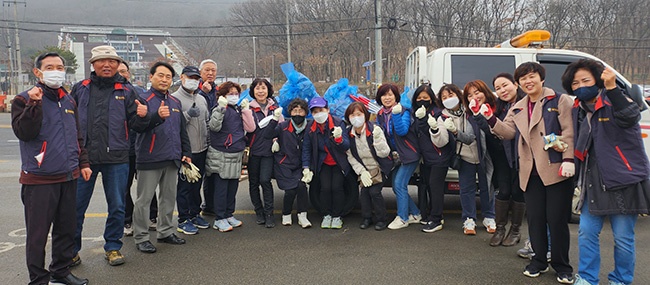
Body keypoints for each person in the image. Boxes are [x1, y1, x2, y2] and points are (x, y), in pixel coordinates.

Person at [481, 62, 575, 283]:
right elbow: (509, 132)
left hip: (555, 168)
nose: (528, 81)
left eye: (531, 76)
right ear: (519, 83)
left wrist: (569, 159)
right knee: (535, 219)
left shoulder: (559, 100)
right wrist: (490, 118)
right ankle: (539, 261)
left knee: (557, 219)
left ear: (541, 78)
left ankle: (562, 265)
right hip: (529, 171)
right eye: (523, 78)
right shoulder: (518, 107)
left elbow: (570, 131)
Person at [562, 59, 650, 285]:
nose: (580, 86)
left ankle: (621, 280)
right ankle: (587, 278)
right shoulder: (577, 109)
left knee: (623, 238)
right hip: (593, 181)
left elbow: (631, 115)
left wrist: (612, 87)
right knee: (586, 233)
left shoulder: (614, 100)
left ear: (598, 80)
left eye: (585, 80)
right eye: (575, 83)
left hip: (622, 180)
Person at [13, 52, 91, 285]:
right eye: (50, 67)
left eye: (59, 66)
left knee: (66, 228)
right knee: (37, 235)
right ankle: (38, 279)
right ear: (38, 72)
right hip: (39, 179)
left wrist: (83, 162)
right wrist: (33, 103)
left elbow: (77, 136)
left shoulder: (68, 100)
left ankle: (61, 271)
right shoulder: (23, 99)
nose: (56, 70)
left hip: (68, 175)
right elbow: (24, 133)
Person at [71, 45, 150, 266]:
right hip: (84, 158)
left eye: (112, 61)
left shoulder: (126, 90)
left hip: (117, 158)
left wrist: (143, 116)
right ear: (93, 64)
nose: (107, 65)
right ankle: (71, 250)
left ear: (117, 64)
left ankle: (113, 247)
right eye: (101, 61)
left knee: (117, 205)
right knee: (76, 206)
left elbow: (136, 124)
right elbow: (68, 122)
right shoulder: (80, 88)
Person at [132, 61, 191, 253]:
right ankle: (141, 237)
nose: (164, 80)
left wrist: (186, 153)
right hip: (149, 158)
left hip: (172, 157)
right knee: (144, 200)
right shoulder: (142, 99)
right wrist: (155, 116)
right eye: (160, 75)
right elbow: (137, 127)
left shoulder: (175, 102)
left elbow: (181, 130)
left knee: (168, 198)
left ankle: (165, 231)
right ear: (151, 77)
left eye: (168, 76)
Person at [205, 81, 255, 232]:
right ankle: (219, 218)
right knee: (221, 188)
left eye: (236, 94)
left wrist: (246, 111)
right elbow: (214, 127)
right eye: (230, 94)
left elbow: (251, 128)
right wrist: (220, 108)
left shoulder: (237, 109)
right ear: (222, 96)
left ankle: (228, 214)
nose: (234, 96)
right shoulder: (219, 109)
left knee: (232, 187)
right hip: (221, 153)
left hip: (236, 152)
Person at [118, 60, 158, 237]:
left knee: (147, 187)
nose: (122, 74)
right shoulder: (107, 95)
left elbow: (148, 119)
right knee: (123, 188)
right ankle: (127, 219)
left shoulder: (139, 93)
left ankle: (152, 216)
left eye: (124, 71)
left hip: (141, 147)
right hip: (121, 150)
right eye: (118, 71)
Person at [375, 84, 422, 230]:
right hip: (395, 156)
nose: (387, 98)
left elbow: (402, 131)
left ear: (396, 96)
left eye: (390, 94)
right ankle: (415, 213)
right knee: (397, 187)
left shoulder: (404, 111)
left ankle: (402, 217)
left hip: (409, 154)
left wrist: (396, 115)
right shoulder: (380, 114)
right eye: (384, 95)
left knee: (400, 184)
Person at [487, 73, 526, 247]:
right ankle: (500, 229)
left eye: (505, 85)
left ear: (515, 84)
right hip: (502, 155)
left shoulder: (527, 103)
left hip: (523, 156)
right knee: (503, 191)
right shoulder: (498, 107)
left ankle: (515, 230)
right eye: (498, 88)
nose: (502, 90)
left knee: (518, 192)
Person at [302, 96, 350, 229]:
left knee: (337, 188)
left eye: (321, 110)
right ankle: (326, 215)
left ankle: (337, 216)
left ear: (328, 110)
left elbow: (346, 145)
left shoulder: (338, 123)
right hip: (322, 163)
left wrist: (339, 138)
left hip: (338, 162)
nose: (318, 114)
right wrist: (306, 167)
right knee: (325, 189)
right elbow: (306, 148)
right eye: (315, 111)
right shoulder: (311, 127)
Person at [173, 66, 211, 235]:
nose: (193, 81)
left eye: (196, 78)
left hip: (202, 149)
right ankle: (183, 218)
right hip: (186, 151)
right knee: (184, 186)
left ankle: (195, 214)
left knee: (197, 185)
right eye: (190, 77)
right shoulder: (174, 99)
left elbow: (207, 122)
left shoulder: (202, 98)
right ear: (181, 77)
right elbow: (173, 127)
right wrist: (187, 115)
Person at [411, 84, 453, 233]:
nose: (422, 100)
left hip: (439, 157)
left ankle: (436, 219)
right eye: (419, 98)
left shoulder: (438, 114)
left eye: (425, 98)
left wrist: (425, 123)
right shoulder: (415, 114)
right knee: (427, 186)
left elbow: (442, 140)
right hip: (426, 158)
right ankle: (430, 215)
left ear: (431, 99)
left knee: (436, 189)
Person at [265, 98, 312, 228]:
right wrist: (274, 119)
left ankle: (303, 216)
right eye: (294, 111)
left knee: (302, 187)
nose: (297, 114)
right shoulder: (283, 126)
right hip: (284, 164)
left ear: (306, 113)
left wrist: (307, 167)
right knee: (290, 190)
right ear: (290, 112)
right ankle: (286, 214)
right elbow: (267, 135)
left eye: (301, 111)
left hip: (300, 165)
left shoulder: (309, 127)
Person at [345, 102, 392, 230]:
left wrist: (378, 141)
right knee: (364, 192)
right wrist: (361, 172)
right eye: (352, 115)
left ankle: (382, 219)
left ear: (365, 115)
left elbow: (384, 153)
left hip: (380, 167)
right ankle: (366, 218)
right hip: (365, 169)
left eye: (359, 114)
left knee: (374, 192)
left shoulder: (375, 130)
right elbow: (350, 156)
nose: (356, 117)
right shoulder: (348, 133)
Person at [247, 78, 282, 228]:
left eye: (263, 88)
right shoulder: (247, 108)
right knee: (253, 183)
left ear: (268, 91)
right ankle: (258, 211)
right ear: (253, 91)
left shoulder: (275, 108)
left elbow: (281, 127)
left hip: (268, 152)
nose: (260, 91)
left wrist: (277, 141)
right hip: (254, 151)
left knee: (265, 181)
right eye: (257, 88)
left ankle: (269, 214)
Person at [197, 59, 218, 216]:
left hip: (216, 136)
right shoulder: (194, 89)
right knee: (198, 175)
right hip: (199, 136)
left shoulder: (219, 90)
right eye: (207, 70)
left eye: (213, 70)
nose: (210, 73)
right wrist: (203, 92)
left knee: (211, 173)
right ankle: (194, 210)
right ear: (200, 72)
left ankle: (210, 205)